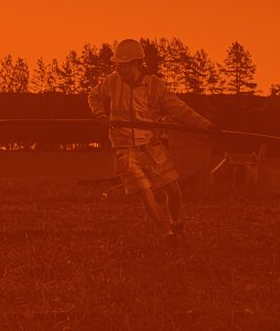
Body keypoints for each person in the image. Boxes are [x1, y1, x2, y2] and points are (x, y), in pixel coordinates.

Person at [88, 38, 219, 243]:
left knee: (173, 191)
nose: (118, 68)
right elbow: (94, 96)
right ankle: (168, 235)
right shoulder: (111, 82)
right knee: (145, 191)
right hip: (125, 149)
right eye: (117, 65)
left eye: (122, 65)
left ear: (136, 64)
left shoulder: (154, 86)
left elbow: (179, 108)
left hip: (151, 145)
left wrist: (205, 126)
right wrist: (101, 115)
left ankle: (175, 222)